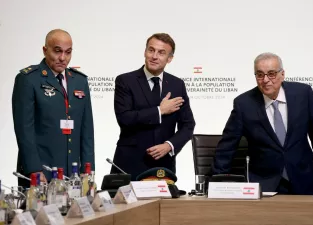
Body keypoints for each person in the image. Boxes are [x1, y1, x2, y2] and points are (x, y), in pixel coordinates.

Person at [212, 52, 313, 194]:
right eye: (260, 74)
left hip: (304, 179)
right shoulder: (244, 104)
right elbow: (227, 146)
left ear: (282, 74)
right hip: (264, 185)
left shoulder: (303, 94)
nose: (265, 80)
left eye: (271, 74)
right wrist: (217, 183)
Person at [12, 29, 95, 186]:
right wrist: (34, 169)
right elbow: (24, 130)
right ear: (45, 50)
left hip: (73, 172)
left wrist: (87, 169)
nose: (63, 58)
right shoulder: (28, 79)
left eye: (68, 52)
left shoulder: (79, 81)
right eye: (57, 51)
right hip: (41, 171)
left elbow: (87, 129)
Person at [111, 33, 195, 181]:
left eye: (161, 53)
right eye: (151, 50)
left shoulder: (177, 85)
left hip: (163, 166)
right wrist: (160, 111)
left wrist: (169, 146)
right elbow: (125, 118)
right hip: (130, 164)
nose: (154, 56)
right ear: (145, 52)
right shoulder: (125, 81)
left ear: (169, 59)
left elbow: (188, 125)